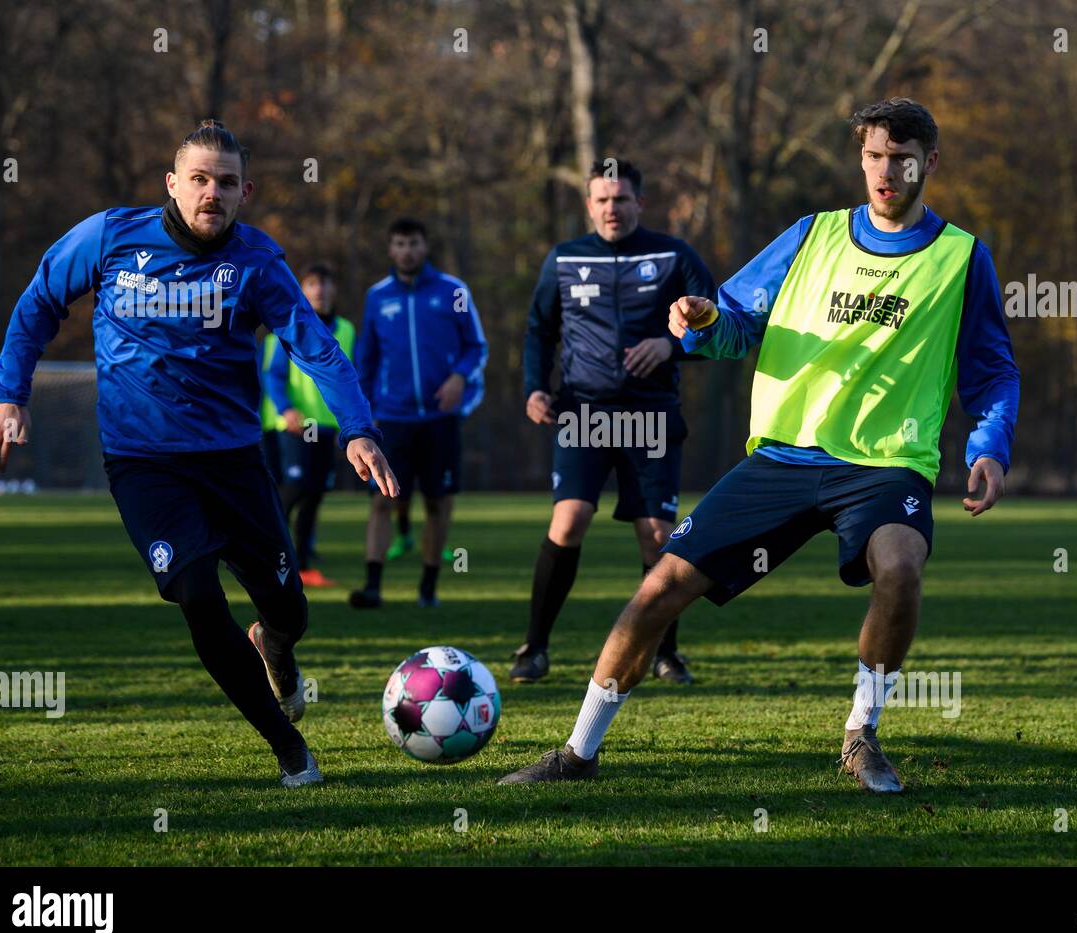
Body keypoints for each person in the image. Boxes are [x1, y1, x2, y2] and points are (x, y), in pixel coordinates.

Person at [498, 98, 1020, 793]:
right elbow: (735, 322)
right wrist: (701, 319)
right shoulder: (810, 235)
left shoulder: (962, 258)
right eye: (872, 155)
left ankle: (860, 737)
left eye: (900, 157)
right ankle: (578, 753)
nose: (885, 170)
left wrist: (989, 447)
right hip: (782, 456)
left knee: (900, 568)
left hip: (885, 463)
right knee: (658, 588)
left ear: (930, 160)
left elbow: (991, 367)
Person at [0, 120, 397, 788]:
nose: (211, 193)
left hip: (232, 460)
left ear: (245, 191)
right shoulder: (111, 236)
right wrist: (8, 394)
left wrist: (357, 427)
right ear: (172, 183)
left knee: (288, 610)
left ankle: (275, 647)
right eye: (199, 179)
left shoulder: (257, 261)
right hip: (144, 463)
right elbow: (40, 300)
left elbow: (313, 345)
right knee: (196, 592)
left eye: (226, 182)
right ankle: (290, 750)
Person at [513, 158, 716, 685]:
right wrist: (535, 387)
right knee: (569, 518)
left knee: (658, 536)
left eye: (621, 199)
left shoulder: (673, 254)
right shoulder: (564, 258)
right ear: (588, 205)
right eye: (601, 200)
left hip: (650, 415)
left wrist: (670, 344)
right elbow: (538, 330)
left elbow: (721, 320)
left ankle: (665, 653)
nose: (611, 208)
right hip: (584, 411)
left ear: (639, 203)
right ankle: (534, 647)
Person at [349, 218, 487, 609]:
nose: (406, 250)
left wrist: (460, 377)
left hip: (440, 418)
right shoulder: (377, 296)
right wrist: (365, 414)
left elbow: (476, 347)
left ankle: (428, 588)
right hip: (392, 418)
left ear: (425, 246)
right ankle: (372, 585)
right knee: (382, 500)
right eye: (399, 244)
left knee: (437, 501)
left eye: (413, 243)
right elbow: (366, 360)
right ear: (391, 249)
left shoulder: (453, 291)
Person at [261, 263, 357, 587]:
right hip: (294, 426)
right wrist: (286, 409)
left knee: (316, 493)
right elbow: (272, 375)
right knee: (291, 490)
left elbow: (348, 378)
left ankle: (302, 564)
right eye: (313, 284)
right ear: (302, 290)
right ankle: (266, 555)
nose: (320, 290)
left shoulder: (346, 329)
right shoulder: (286, 326)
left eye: (326, 283)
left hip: (326, 425)